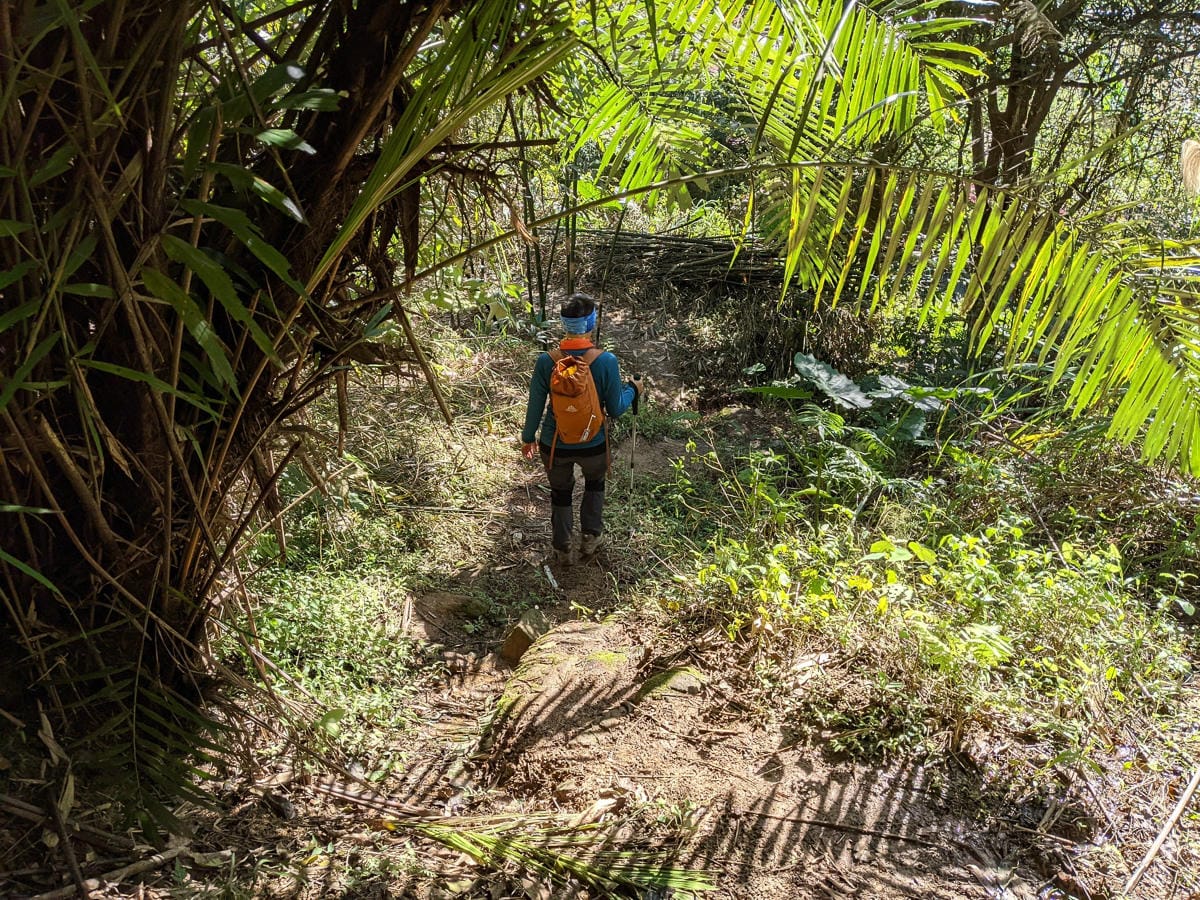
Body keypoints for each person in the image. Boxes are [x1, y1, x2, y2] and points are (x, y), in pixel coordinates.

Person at [522, 293, 643, 565]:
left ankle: (562, 549)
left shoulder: (546, 361)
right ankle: (590, 539)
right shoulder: (606, 361)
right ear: (591, 322)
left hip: (555, 444)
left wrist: (528, 438)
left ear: (563, 323)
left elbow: (535, 406)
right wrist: (633, 390)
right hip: (594, 444)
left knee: (560, 493)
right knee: (595, 485)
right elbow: (616, 408)